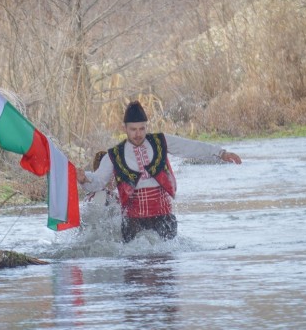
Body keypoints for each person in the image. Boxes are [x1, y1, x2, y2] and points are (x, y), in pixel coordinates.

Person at [77, 100, 242, 243]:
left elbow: (190, 147)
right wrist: (84, 178)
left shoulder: (160, 141)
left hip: (163, 217)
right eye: (133, 129)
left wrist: (221, 153)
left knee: (165, 272)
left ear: (146, 126)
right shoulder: (114, 154)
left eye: (142, 129)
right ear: (125, 128)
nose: (138, 134)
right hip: (133, 222)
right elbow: (98, 181)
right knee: (135, 273)